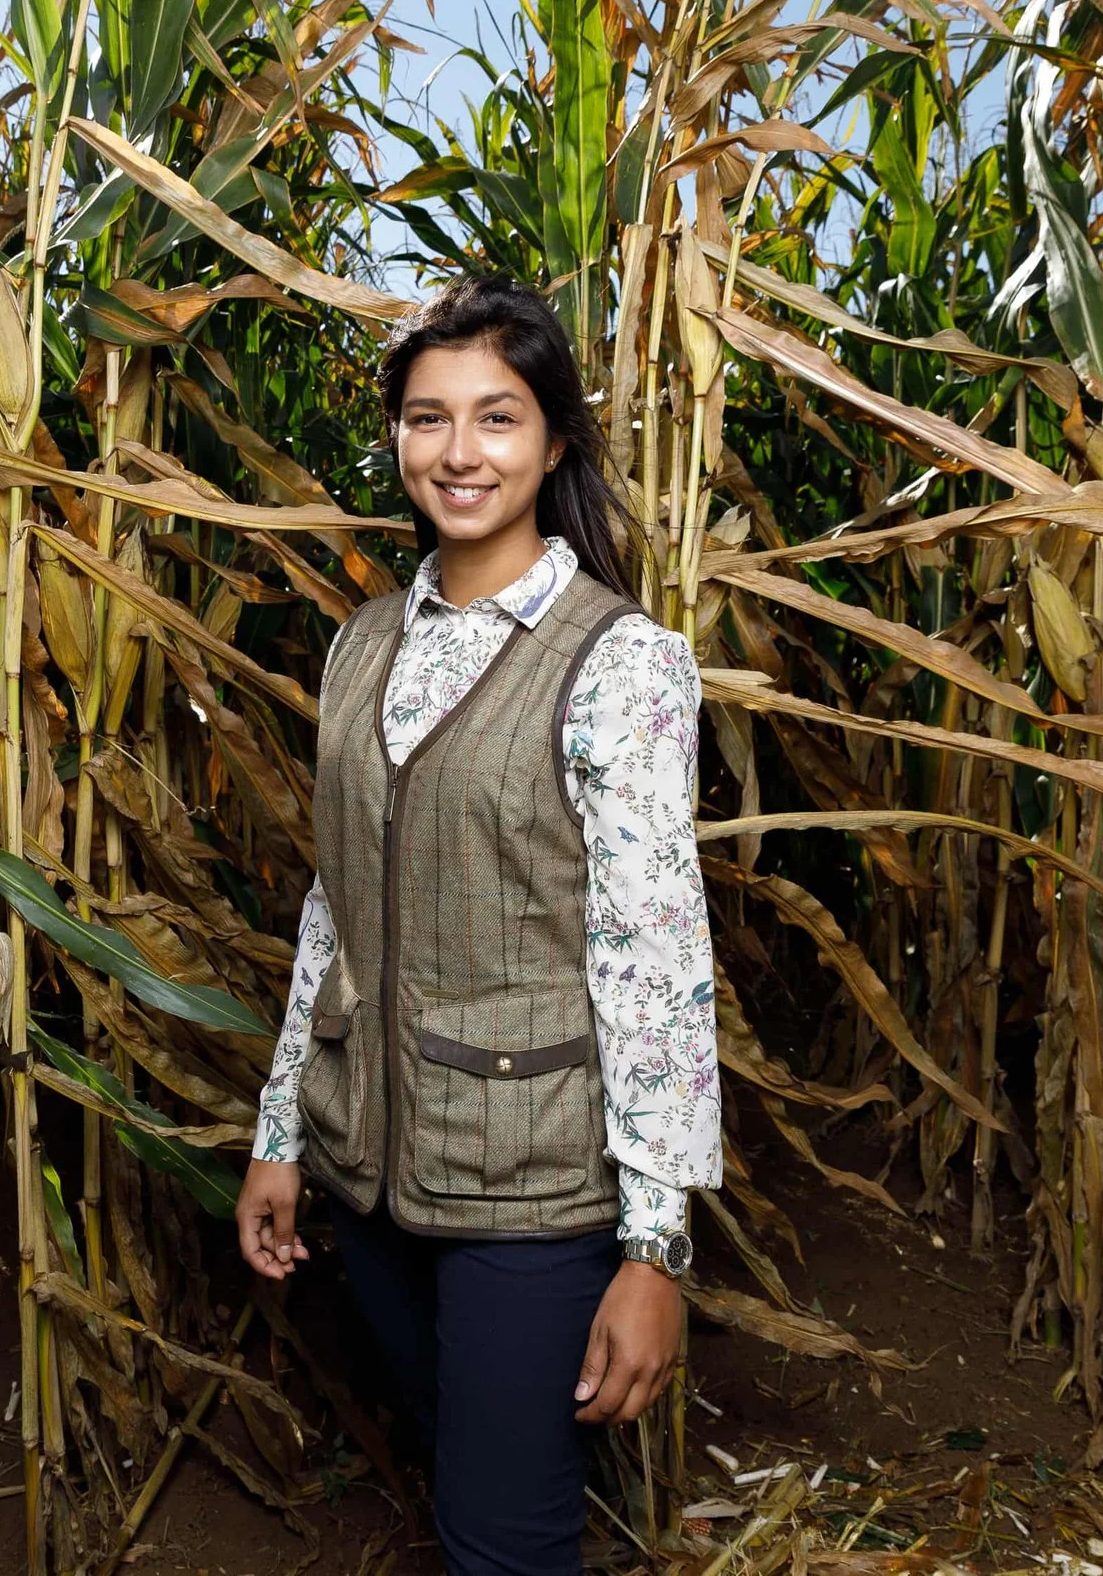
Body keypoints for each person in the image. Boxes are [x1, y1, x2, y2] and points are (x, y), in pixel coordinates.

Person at [234, 275, 722, 1575]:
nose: (460, 451)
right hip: (372, 1172)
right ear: (397, 438)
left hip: (533, 1189)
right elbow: (336, 902)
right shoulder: (361, 643)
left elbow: (657, 959)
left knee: (501, 1541)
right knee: (464, 1459)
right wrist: (284, 1132)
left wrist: (655, 1250)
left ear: (554, 443)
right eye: (428, 417)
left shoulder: (619, 662)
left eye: (497, 417)